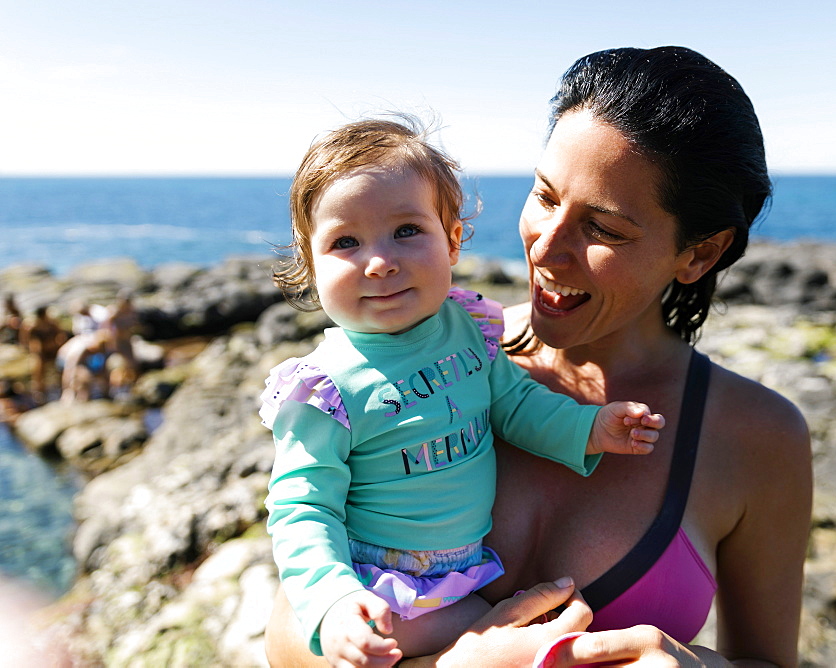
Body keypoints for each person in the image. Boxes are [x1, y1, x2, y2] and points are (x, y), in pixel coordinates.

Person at [265, 46, 813, 668]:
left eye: (604, 228)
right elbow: (289, 632)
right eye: (546, 197)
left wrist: (693, 665)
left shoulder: (759, 437)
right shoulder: (421, 358)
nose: (546, 250)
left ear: (700, 253)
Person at [261, 117, 666, 665]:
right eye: (346, 242)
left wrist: (589, 427)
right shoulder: (325, 387)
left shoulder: (470, 327)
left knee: (545, 637)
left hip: (462, 575)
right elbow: (302, 508)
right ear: (310, 267)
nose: (380, 261)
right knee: (542, 643)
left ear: (452, 242)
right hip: (379, 588)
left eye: (407, 230)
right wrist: (334, 603)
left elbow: (514, 404)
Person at [21, 306, 68, 404]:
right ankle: (39, 393)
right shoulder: (32, 326)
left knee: (60, 368)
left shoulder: (51, 323)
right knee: (38, 372)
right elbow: (25, 339)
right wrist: (31, 348)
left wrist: (59, 345)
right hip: (41, 353)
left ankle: (63, 387)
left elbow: (61, 334)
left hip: (53, 350)